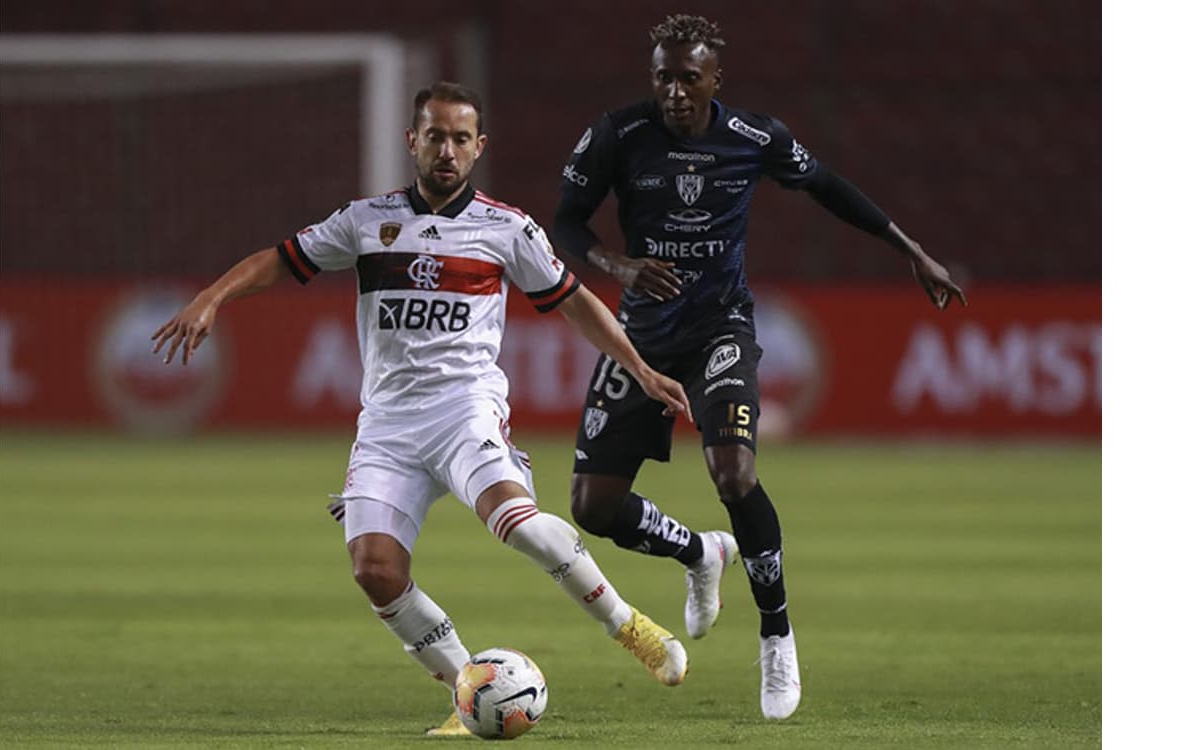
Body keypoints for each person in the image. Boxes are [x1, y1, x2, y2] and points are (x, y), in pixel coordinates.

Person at [152, 82, 696, 737]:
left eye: (460, 138)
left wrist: (637, 366)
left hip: (464, 411)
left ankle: (627, 625)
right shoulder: (363, 221)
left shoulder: (506, 228)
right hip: (386, 427)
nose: (447, 149)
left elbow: (575, 299)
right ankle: (470, 691)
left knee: (518, 524)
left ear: (478, 147)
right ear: (412, 141)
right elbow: (281, 259)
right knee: (374, 570)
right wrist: (212, 297)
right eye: (435, 135)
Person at [552, 15, 967, 721]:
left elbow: (830, 186)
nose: (675, 91)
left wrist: (911, 249)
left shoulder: (754, 138)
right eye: (663, 77)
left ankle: (777, 634)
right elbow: (566, 222)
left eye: (689, 77)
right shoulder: (617, 135)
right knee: (591, 508)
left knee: (734, 473)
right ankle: (699, 553)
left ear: (717, 79)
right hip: (642, 336)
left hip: (720, 327)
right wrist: (619, 263)